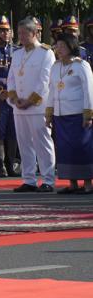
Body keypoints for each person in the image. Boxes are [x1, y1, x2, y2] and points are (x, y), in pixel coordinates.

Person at [6, 17, 56, 193]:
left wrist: (29, 101)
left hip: (37, 107)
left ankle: (48, 179)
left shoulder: (46, 53)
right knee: (24, 144)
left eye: (24, 33)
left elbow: (44, 81)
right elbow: (11, 79)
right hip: (19, 108)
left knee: (43, 143)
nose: (20, 37)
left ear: (34, 33)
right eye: (18, 33)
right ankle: (29, 179)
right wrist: (14, 98)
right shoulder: (17, 54)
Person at [47, 31, 93, 194]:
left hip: (78, 114)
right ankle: (72, 183)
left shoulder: (81, 65)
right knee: (65, 150)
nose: (59, 49)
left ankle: (88, 184)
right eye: (57, 46)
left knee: (82, 148)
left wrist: (88, 114)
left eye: (62, 46)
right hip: (60, 115)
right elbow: (52, 90)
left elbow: (89, 91)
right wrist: (49, 112)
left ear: (71, 46)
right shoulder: (55, 66)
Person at [0, 15, 20, 178]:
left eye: (7, 30)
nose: (5, 33)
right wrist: (0, 91)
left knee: (13, 132)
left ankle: (11, 164)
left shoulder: (17, 50)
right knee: (0, 132)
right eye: (1, 30)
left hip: (14, 97)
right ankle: (0, 165)